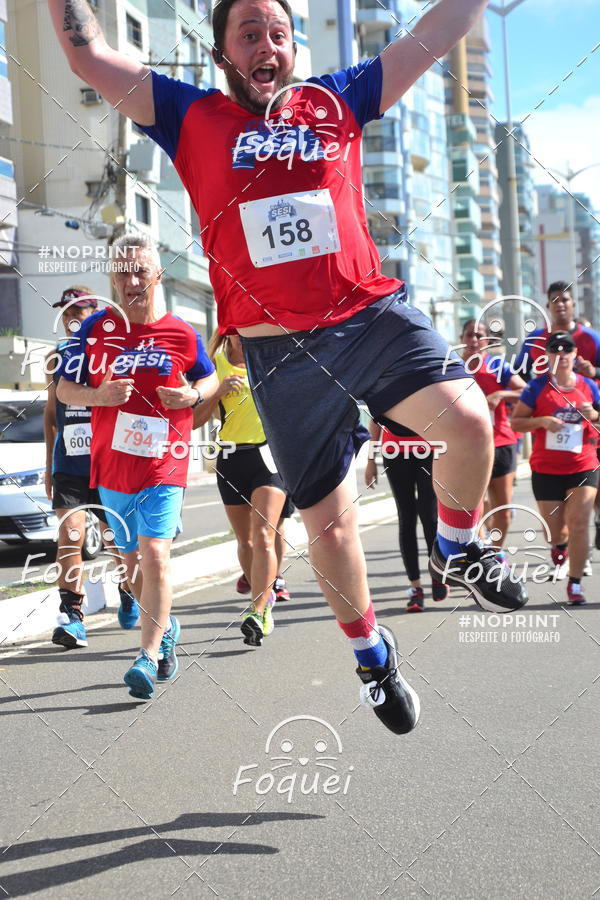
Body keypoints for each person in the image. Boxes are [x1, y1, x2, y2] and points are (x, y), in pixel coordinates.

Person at [50, 0, 527, 737]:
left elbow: (436, 32)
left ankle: (457, 547)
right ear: (221, 56)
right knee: (328, 530)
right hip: (280, 352)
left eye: (280, 32)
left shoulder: (338, 96)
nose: (267, 44)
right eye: (249, 34)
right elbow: (86, 53)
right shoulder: (188, 115)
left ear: (293, 48)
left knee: (469, 422)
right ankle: (373, 656)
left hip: (367, 315)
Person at [56, 234, 218, 698]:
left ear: (157, 275)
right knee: (131, 565)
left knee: (157, 555)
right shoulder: (93, 331)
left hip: (165, 462)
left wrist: (192, 396)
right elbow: (65, 389)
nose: (131, 281)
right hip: (113, 468)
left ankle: (146, 657)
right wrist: (98, 396)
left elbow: (207, 380)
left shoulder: (182, 332)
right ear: (111, 277)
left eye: (140, 272)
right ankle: (166, 629)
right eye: (122, 272)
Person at [45, 287, 138, 649]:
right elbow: (51, 416)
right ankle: (72, 615)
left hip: (109, 461)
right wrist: (47, 464)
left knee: (116, 538)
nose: (72, 318)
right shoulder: (57, 356)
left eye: (79, 311)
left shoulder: (111, 351)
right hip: (69, 463)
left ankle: (128, 590)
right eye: (66, 312)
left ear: (95, 313)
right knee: (70, 533)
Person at [193, 330, 293, 645]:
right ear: (226, 332)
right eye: (234, 332)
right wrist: (218, 391)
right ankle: (260, 596)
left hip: (269, 456)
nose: (241, 336)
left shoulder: (270, 360)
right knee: (246, 541)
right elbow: (194, 420)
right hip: (231, 458)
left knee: (265, 533)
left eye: (245, 330)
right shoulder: (213, 366)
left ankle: (260, 610)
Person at [511, 332, 599, 605]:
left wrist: (593, 414)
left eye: (567, 350)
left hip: (583, 465)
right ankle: (560, 547)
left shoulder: (589, 386)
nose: (561, 355)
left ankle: (574, 584)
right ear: (547, 356)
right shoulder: (537, 387)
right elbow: (516, 423)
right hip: (546, 469)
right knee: (556, 530)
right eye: (555, 350)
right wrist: (542, 421)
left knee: (579, 523)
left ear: (575, 355)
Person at [364, 422, 447, 612]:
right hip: (395, 453)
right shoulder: (381, 390)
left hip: (428, 450)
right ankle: (415, 587)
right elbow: (375, 422)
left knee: (430, 517)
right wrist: (371, 461)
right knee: (406, 517)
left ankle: (437, 574)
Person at [460, 320, 526, 549]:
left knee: (503, 511)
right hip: (467, 448)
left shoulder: (497, 366)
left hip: (501, 442)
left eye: (479, 335)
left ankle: (496, 555)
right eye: (469, 335)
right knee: (472, 509)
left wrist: (500, 395)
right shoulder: (452, 369)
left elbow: (524, 391)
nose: (474, 340)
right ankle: (481, 552)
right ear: (462, 339)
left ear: (487, 341)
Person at [514, 282, 600, 380]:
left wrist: (594, 371)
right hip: (547, 395)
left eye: (565, 300)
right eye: (554, 300)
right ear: (548, 305)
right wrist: (533, 391)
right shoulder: (534, 339)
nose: (559, 304)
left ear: (573, 304)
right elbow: (518, 372)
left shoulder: (593, 338)